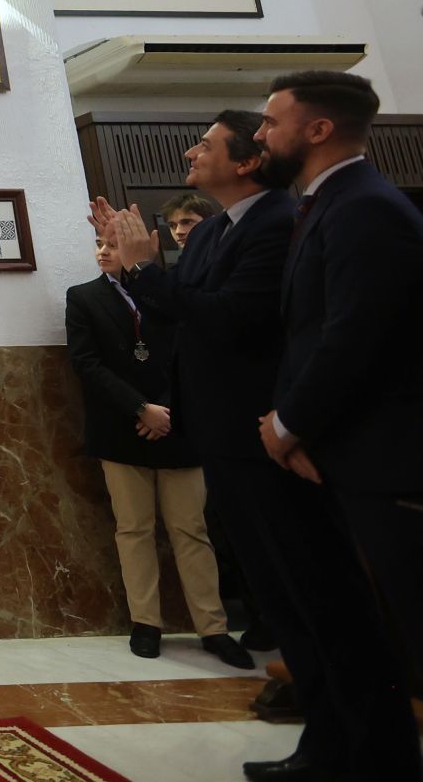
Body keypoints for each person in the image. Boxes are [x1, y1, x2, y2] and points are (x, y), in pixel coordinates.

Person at [100, 107, 414, 781]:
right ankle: (327, 746)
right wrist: (135, 271)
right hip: (224, 438)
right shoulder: (215, 231)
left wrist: (147, 272)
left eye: (207, 144)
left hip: (269, 439)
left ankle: (375, 755)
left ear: (245, 161)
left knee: (323, 604)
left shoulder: (276, 224)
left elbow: (236, 319)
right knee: (284, 607)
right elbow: (181, 313)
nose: (190, 151)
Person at [252, 70, 423, 781]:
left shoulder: (367, 208)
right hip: (336, 455)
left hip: (382, 462)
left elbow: (355, 337)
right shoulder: (324, 204)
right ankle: (361, 758)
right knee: (354, 628)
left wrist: (288, 425)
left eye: (272, 121)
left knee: (406, 629)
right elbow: (308, 332)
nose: (263, 133)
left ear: (318, 129)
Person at [64, 233, 243, 665]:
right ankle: (146, 623)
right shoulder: (84, 297)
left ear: (140, 246)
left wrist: (169, 410)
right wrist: (141, 409)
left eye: (112, 243)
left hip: (178, 427)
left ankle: (213, 627)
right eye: (98, 244)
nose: (103, 251)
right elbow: (87, 363)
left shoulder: (168, 289)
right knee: (134, 529)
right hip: (122, 429)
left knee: (191, 530)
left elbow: (192, 352)